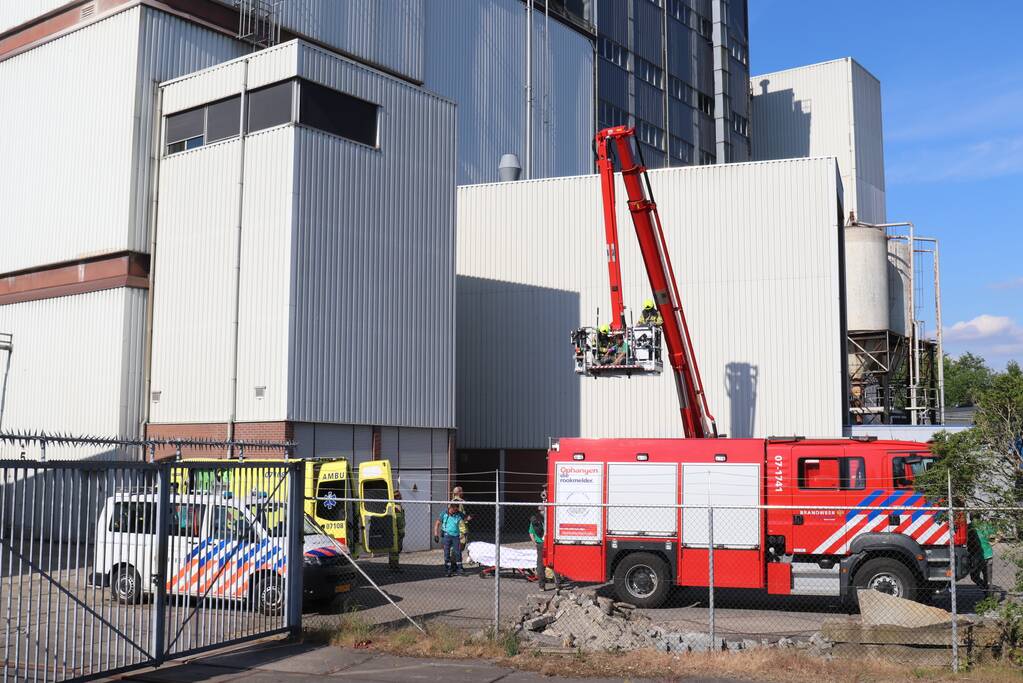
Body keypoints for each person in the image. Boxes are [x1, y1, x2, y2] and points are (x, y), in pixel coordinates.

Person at [433, 503, 466, 576]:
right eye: (453, 509)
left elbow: (465, 519)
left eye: (456, 510)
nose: (454, 511)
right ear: (450, 507)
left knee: (458, 552)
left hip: (456, 536)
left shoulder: (459, 514)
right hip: (446, 536)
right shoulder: (444, 514)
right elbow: (437, 523)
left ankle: (459, 568)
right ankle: (448, 569)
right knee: (446, 553)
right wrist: (436, 534)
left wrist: (463, 533)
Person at [528, 513, 560, 591]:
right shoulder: (552, 517)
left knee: (540, 565)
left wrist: (535, 543)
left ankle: (541, 586)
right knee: (555, 563)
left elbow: (531, 533)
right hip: (551, 543)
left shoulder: (534, 520)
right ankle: (557, 585)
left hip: (540, 544)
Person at [389, 490, 406, 572]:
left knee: (393, 549)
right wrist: (401, 531)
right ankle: (395, 566)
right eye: (399, 496)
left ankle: (392, 564)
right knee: (397, 549)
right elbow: (399, 520)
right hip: (398, 531)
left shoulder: (393, 505)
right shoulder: (397, 507)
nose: (401, 497)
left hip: (394, 531)